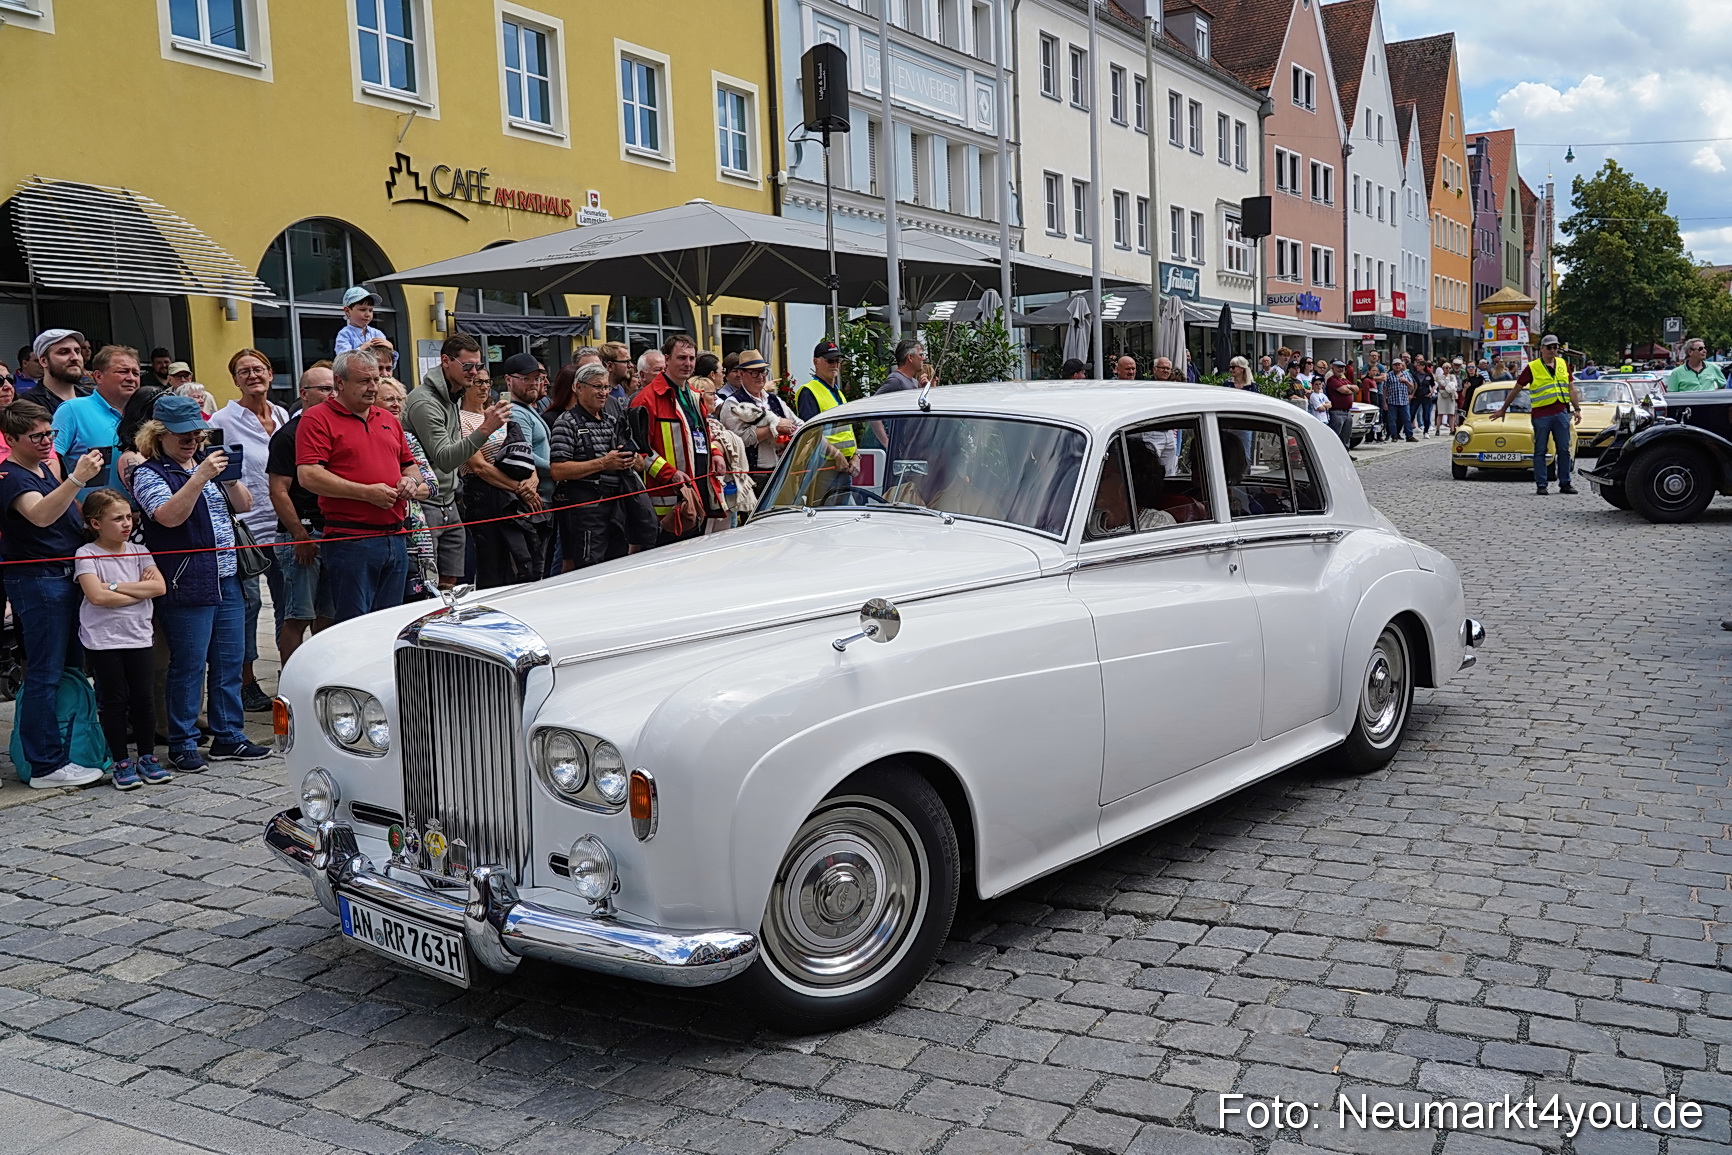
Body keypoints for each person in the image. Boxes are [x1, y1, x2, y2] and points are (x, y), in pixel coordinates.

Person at [131, 393, 271, 771]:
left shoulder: (204, 465)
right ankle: (182, 741)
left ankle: (229, 736)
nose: (191, 441)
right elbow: (168, 516)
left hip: (227, 576)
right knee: (189, 665)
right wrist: (199, 477)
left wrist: (229, 478)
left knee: (229, 661)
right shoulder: (148, 472)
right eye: (182, 435)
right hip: (186, 578)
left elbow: (244, 506)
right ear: (158, 436)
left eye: (196, 433)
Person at [1, 400, 107, 788]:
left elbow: (63, 515)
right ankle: (44, 764)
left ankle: (70, 746)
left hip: (61, 577)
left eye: (50, 434)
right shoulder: (10, 476)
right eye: (37, 436)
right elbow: (41, 515)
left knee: (67, 669)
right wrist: (76, 479)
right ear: (11, 438)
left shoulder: (41, 468)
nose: (47, 442)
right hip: (38, 580)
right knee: (44, 673)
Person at [297, 350, 424, 620]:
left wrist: (410, 482)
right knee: (356, 626)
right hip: (352, 539)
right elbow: (308, 475)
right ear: (340, 383)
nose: (373, 387)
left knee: (392, 624)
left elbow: (411, 466)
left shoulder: (388, 419)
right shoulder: (317, 418)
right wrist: (366, 493)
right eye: (364, 381)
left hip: (396, 536)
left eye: (376, 380)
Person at [74, 489, 171, 790]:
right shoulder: (86, 554)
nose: (126, 523)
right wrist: (132, 589)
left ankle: (147, 756)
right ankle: (121, 761)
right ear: (95, 524)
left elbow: (159, 588)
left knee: (143, 699)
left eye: (128, 516)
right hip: (103, 639)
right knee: (114, 700)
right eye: (117, 519)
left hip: (138, 635)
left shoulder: (140, 551)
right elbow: (97, 596)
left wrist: (115, 586)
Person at [402, 334, 511, 589]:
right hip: (425, 503)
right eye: (467, 366)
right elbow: (446, 458)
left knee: (451, 585)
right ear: (445, 361)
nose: (474, 373)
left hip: (449, 501)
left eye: (478, 366)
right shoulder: (424, 401)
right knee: (426, 587)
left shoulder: (453, 395)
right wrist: (486, 428)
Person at [213, 348, 288, 712]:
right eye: (244, 371)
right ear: (235, 380)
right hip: (244, 526)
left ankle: (289, 674)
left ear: (271, 373)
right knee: (248, 604)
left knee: (287, 602)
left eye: (258, 369)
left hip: (283, 523)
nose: (252, 375)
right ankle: (244, 681)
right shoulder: (223, 420)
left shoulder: (283, 414)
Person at [549, 362, 657, 570]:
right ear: (578, 388)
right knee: (590, 569)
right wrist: (604, 463)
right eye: (597, 387)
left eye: (606, 387)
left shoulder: (612, 420)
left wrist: (631, 460)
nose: (604, 393)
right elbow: (558, 470)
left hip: (617, 509)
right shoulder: (566, 423)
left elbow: (641, 464)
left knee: (617, 567)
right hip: (586, 513)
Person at [267, 366, 337, 663]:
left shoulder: (335, 429)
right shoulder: (288, 436)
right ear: (304, 393)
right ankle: (291, 683)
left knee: (328, 616)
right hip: (301, 535)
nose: (331, 394)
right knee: (297, 616)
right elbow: (278, 491)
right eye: (324, 389)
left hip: (334, 533)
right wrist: (299, 535)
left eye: (335, 388)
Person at [632, 333, 721, 542]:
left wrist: (715, 453)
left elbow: (703, 433)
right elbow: (639, 450)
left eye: (691, 358)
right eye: (681, 358)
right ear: (667, 360)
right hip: (668, 504)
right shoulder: (646, 399)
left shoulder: (693, 395)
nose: (687, 364)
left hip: (698, 494)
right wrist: (670, 474)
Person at [374, 377, 439, 599]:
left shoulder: (407, 437)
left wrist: (404, 488)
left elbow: (431, 485)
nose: (396, 405)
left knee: (417, 599)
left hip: (416, 533)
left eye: (400, 399)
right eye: (389, 399)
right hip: (378, 532)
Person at [1492, 334, 1582, 495]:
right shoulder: (1532, 367)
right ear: (1541, 349)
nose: (1552, 350)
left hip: (1561, 411)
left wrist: (1577, 409)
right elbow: (1517, 389)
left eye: (1555, 347)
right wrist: (1503, 409)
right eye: (1549, 347)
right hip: (1541, 414)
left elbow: (1571, 387)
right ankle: (1541, 484)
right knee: (1540, 450)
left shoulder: (1562, 363)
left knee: (1564, 450)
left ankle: (1565, 483)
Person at [55, 344, 141, 499]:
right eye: (123, 371)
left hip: (141, 517)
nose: (131, 378)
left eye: (136, 373)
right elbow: (48, 464)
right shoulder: (72, 410)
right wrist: (73, 508)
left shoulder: (146, 414)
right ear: (98, 376)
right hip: (91, 519)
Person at [502, 351, 555, 579]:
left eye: (537, 378)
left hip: (544, 497)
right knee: (536, 569)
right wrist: (559, 468)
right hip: (533, 501)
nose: (534, 384)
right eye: (526, 378)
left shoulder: (529, 409)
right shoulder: (516, 412)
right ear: (508, 380)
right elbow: (525, 455)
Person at [719, 349, 798, 477]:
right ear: (741, 373)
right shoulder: (733, 403)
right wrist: (775, 426)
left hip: (781, 470)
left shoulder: (773, 399)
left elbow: (797, 423)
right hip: (752, 476)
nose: (761, 377)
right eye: (755, 373)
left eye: (763, 371)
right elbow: (740, 439)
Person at [793, 340, 860, 483]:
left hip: (845, 465)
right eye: (830, 361)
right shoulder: (808, 392)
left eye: (838, 360)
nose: (835, 365)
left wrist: (856, 456)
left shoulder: (838, 394)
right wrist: (836, 454)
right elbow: (811, 433)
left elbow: (848, 430)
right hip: (823, 465)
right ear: (816, 362)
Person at [19, 329, 92, 416]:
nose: (75, 357)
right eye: (64, 352)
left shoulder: (92, 397)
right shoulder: (29, 404)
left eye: (77, 351)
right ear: (43, 361)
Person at [334, 287, 395, 367]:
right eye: (362, 310)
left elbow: (390, 365)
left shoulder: (377, 333)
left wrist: (390, 349)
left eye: (370, 310)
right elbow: (342, 360)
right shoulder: (344, 334)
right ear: (347, 311)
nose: (367, 314)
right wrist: (362, 348)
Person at [1326, 360, 1356, 448]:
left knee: (1346, 436)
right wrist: (1350, 388)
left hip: (1347, 412)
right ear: (1332, 368)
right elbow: (1345, 391)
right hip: (1337, 412)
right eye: (1338, 367)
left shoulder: (1344, 380)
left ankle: (1346, 454)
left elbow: (1357, 388)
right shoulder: (1332, 380)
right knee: (1335, 435)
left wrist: (1349, 387)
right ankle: (1334, 454)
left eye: (1342, 367)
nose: (1340, 369)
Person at [1383, 359, 1414, 441]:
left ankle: (1409, 435)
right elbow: (1385, 389)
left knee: (1407, 418)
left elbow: (1412, 387)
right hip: (1392, 401)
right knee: (1392, 420)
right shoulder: (1389, 375)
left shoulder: (1406, 374)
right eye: (1395, 365)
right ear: (1392, 366)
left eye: (1399, 364)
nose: (1397, 366)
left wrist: (1406, 381)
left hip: (1404, 401)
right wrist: (1384, 402)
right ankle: (1394, 436)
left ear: (1401, 366)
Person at [1410, 357, 1436, 437]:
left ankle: (1426, 431)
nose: (1417, 367)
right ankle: (1409, 430)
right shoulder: (1414, 374)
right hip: (1416, 396)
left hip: (1426, 396)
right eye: (1417, 365)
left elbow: (1433, 385)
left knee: (1426, 414)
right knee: (1412, 413)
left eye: (1419, 365)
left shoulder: (1428, 375)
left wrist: (1431, 392)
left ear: (1423, 366)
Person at [1435, 360, 1460, 435]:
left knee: (1451, 413)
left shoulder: (1452, 376)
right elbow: (1444, 384)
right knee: (1440, 413)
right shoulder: (1440, 377)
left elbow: (1455, 384)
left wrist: (1450, 385)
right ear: (1443, 368)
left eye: (1449, 368)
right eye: (1446, 368)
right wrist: (1449, 383)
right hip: (1442, 395)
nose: (1448, 369)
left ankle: (1452, 429)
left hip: (1450, 395)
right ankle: (1437, 429)